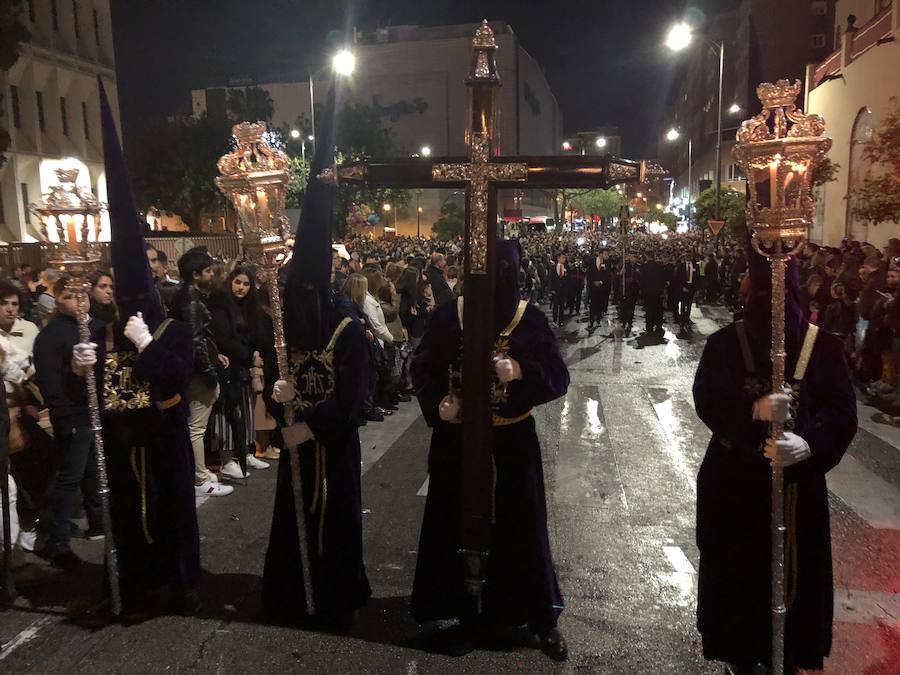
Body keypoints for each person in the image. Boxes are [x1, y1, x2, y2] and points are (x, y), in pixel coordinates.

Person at [692, 240, 857, 674]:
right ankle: (741, 655)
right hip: (735, 481)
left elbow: (841, 412)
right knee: (738, 573)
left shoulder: (822, 348)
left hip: (796, 489)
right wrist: (752, 414)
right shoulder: (727, 344)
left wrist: (810, 446)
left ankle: (790, 655)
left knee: (793, 574)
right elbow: (708, 399)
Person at [410, 240, 570, 661]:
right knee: (452, 520)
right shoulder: (450, 316)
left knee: (522, 525)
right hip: (457, 440)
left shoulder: (529, 321)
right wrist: (438, 404)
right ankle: (460, 612)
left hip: (512, 442)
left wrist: (522, 371)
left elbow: (557, 376)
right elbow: (422, 366)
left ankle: (540, 616)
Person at [263, 81, 371, 627]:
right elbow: (274, 381)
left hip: (331, 444)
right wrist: (275, 394)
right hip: (295, 443)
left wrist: (312, 425)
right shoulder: (287, 330)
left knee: (337, 516)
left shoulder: (349, 331)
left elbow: (356, 399)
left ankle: (336, 597)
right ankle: (290, 594)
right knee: (295, 516)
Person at [33, 278, 104, 569]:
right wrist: (63, 416)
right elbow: (50, 380)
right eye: (71, 296)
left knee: (93, 472)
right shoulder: (51, 335)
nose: (80, 301)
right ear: (58, 299)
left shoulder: (95, 326)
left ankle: (98, 521)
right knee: (70, 476)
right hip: (73, 414)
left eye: (83, 295)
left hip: (94, 411)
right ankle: (58, 541)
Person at [169, 247, 233, 497]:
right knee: (196, 427)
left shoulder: (188, 296)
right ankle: (200, 477)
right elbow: (195, 341)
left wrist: (215, 355)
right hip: (196, 373)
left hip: (195, 368)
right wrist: (209, 373)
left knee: (196, 426)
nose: (211, 275)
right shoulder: (191, 300)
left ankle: (200, 472)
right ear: (195, 275)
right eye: (207, 271)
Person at [206, 266, 270, 481]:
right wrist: (249, 355)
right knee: (227, 413)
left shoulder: (250, 308)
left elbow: (256, 334)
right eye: (237, 282)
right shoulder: (221, 305)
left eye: (246, 284)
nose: (241, 288)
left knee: (247, 410)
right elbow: (222, 338)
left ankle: (246, 451)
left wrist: (255, 354)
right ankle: (227, 459)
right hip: (227, 368)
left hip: (244, 367)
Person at [586, 250, 610, 330]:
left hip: (602, 287)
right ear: (600, 254)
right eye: (605, 254)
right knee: (593, 304)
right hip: (593, 286)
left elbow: (607, 274)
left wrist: (601, 281)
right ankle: (591, 321)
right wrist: (593, 282)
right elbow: (589, 273)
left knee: (600, 303)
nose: (606, 255)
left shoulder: (607, 263)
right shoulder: (592, 261)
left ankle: (598, 320)